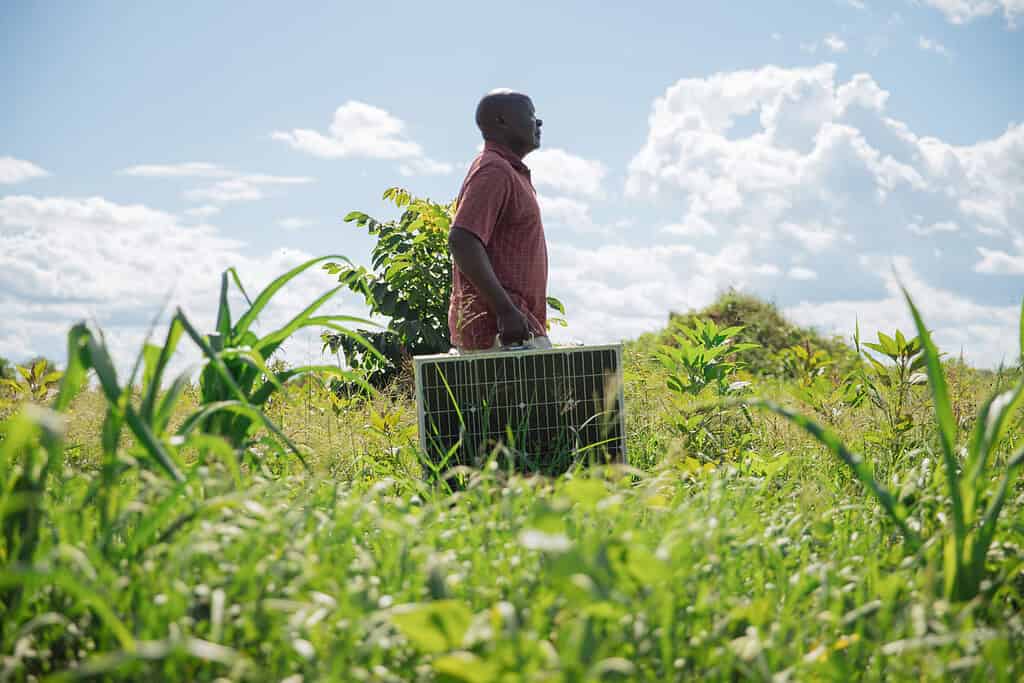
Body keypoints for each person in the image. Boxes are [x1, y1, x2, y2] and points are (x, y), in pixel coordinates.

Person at [447, 89, 551, 353]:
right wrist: (506, 311)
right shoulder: (495, 170)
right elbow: (462, 239)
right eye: (530, 115)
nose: (538, 122)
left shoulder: (507, 171)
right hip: (504, 335)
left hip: (516, 328)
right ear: (502, 121)